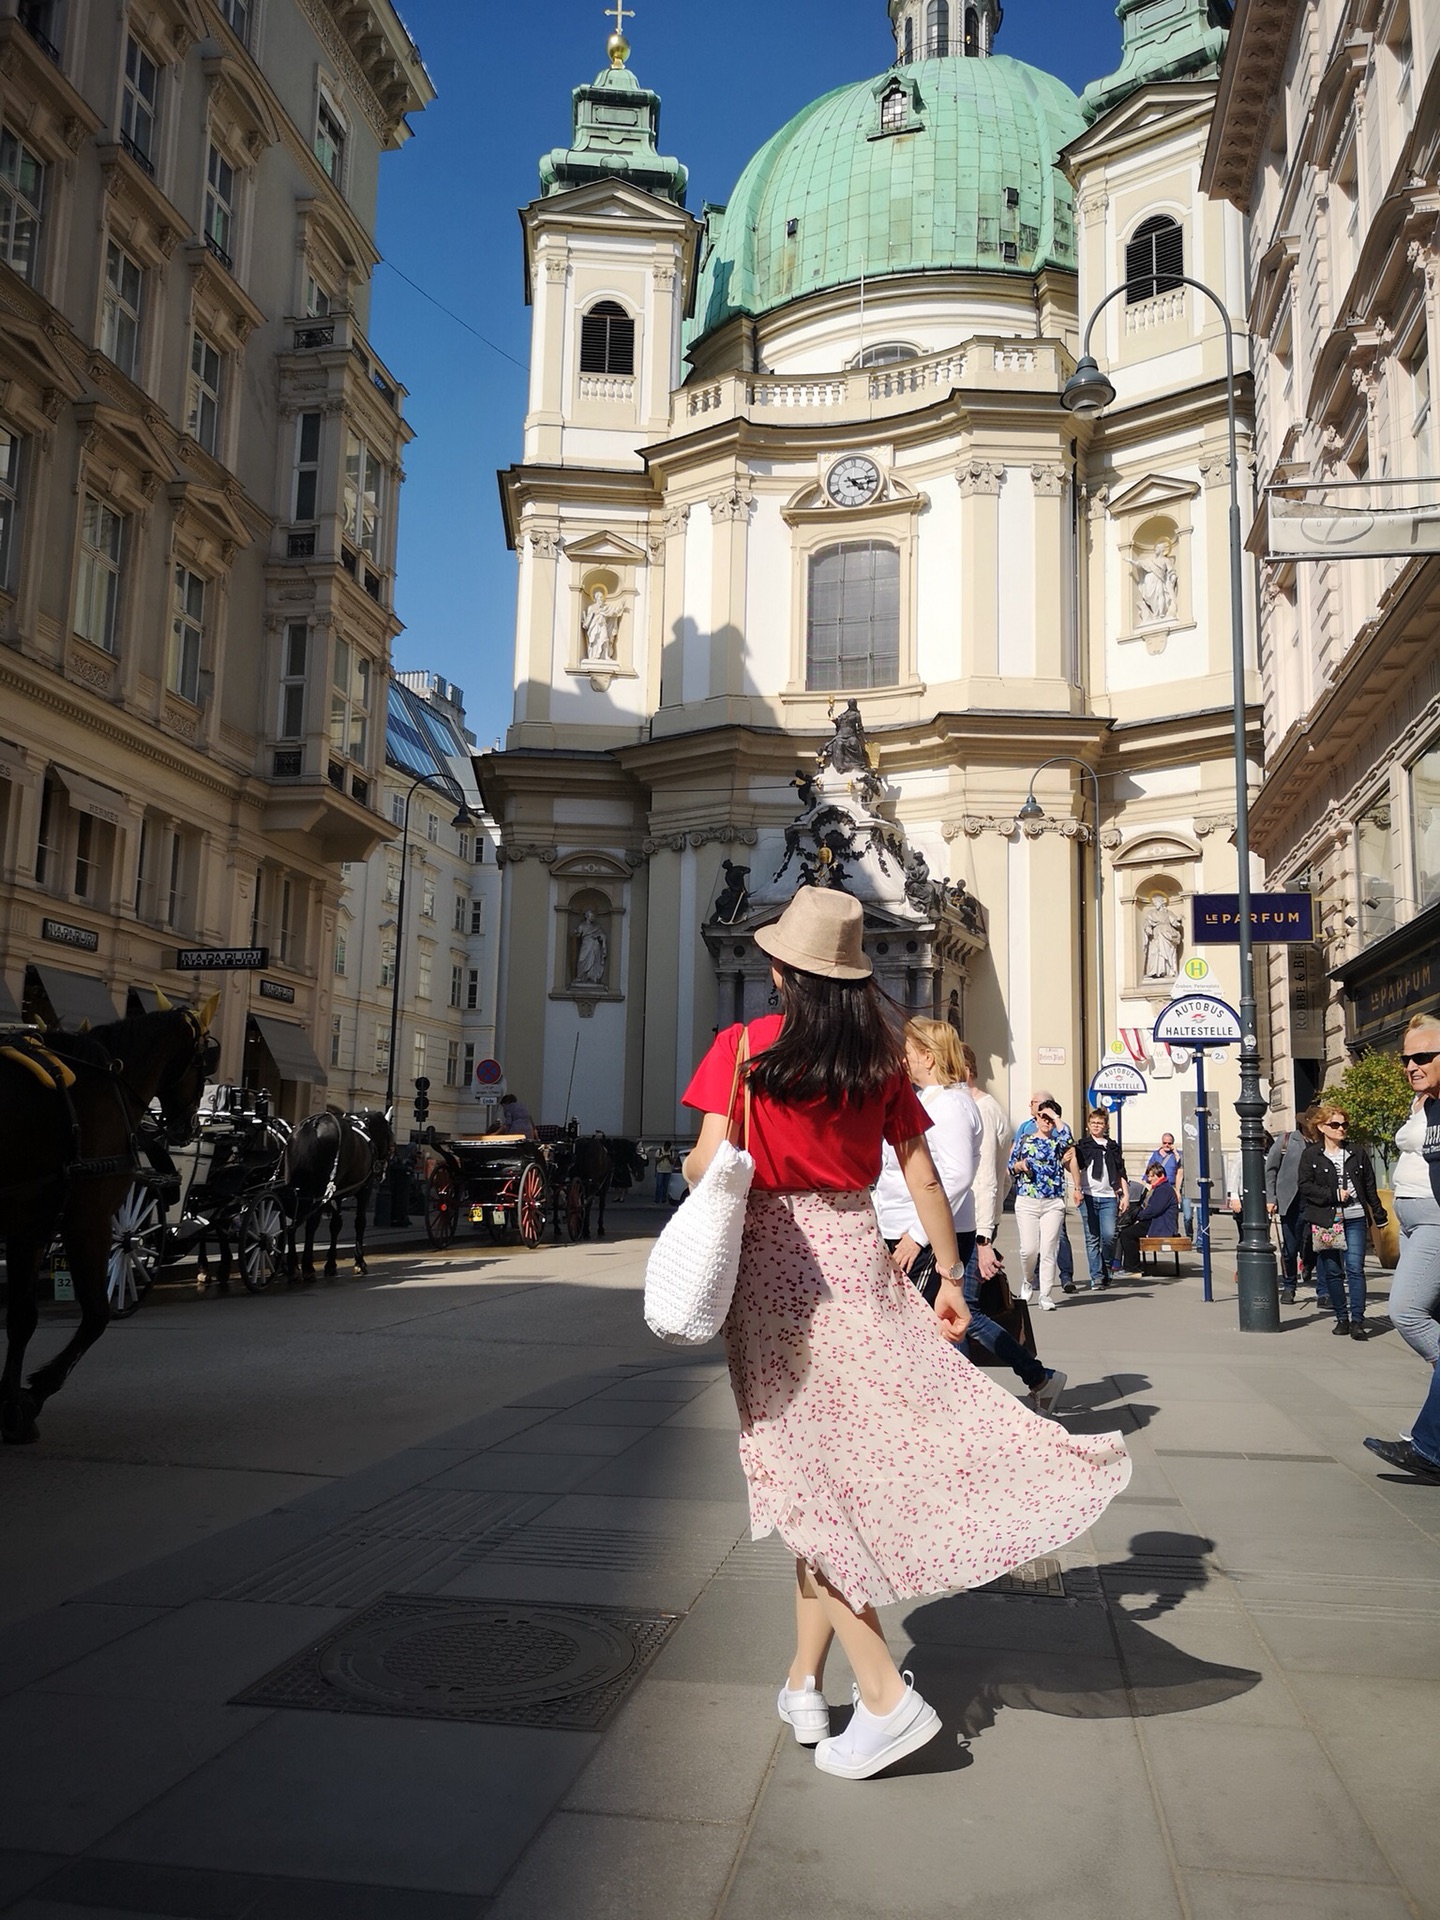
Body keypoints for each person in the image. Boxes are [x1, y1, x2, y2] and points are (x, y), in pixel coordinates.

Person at [680, 888, 1131, 1782]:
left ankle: (885, 1699)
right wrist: (954, 1279)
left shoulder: (742, 1048)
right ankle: (805, 1682)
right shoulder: (882, 1062)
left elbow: (703, 1162)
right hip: (860, 1259)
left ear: (779, 970)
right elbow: (923, 1177)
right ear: (854, 980)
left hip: (774, 1274)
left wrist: (731, 1158)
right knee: (825, 1470)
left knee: (806, 1479)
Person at [874, 1020, 1065, 1412]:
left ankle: (961, 1408)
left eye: (908, 1050)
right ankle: (969, 1401)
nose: (903, 1058)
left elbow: (958, 1176)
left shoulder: (951, 1105)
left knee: (939, 1325)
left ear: (928, 1056)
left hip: (930, 1236)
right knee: (938, 1325)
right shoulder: (932, 1099)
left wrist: (917, 1235)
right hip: (917, 1229)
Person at [1299, 1103, 1387, 1340]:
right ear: (1322, 1127)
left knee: (1355, 1269)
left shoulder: (1356, 1152)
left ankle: (1358, 1319)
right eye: (1335, 1124)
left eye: (1344, 1124)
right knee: (1332, 1271)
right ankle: (1342, 1318)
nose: (1341, 1129)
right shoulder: (1311, 1155)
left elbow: (1369, 1186)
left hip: (1355, 1217)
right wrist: (1333, 1195)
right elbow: (1305, 1186)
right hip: (1326, 1219)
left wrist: (1379, 1215)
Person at [1389, 1013, 1440, 1367]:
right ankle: (1429, 1425)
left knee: (1407, 1312)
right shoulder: (1425, 1102)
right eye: (1405, 1059)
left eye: (1421, 1057)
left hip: (1433, 1217)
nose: (1411, 1066)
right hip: (1409, 1218)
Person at [1008, 1099, 1077, 1311]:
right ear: (1036, 1118)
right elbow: (1011, 1165)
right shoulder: (1025, 1140)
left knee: (1049, 1249)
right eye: (1042, 1117)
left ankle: (1046, 1294)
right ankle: (1028, 1280)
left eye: (1050, 1118)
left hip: (1052, 1202)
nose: (1046, 1121)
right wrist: (1020, 1166)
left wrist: (1055, 1116)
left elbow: (1069, 1139)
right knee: (1029, 1250)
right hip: (1028, 1199)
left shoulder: (1058, 1143)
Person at [1266, 1110, 1318, 1305]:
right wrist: (1271, 1198)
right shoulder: (1287, 1140)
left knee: (1315, 1245)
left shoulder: (1323, 1143)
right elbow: (1271, 1170)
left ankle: (1321, 1288)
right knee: (1289, 1248)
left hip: (1316, 1201)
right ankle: (1289, 1286)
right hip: (1291, 1202)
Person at [1074, 1108, 1128, 1292]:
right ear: (1088, 1125)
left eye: (1100, 1123)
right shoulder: (1082, 1145)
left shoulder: (1112, 1146)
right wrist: (1076, 1189)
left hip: (1108, 1197)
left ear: (1105, 1126)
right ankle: (1096, 1277)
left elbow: (1121, 1172)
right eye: (1093, 1123)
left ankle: (1105, 1266)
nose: (1096, 1126)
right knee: (1092, 1239)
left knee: (1109, 1235)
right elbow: (1074, 1167)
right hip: (1088, 1196)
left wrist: (1125, 1195)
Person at [1135, 1163, 1180, 1239]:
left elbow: (1154, 1210)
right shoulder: (1159, 1188)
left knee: (1126, 1235)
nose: (1149, 1179)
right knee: (1129, 1232)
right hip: (1156, 1224)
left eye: (1152, 1176)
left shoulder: (1164, 1189)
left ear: (1161, 1175)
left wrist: (1138, 1215)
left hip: (1162, 1228)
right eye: (1148, 1176)